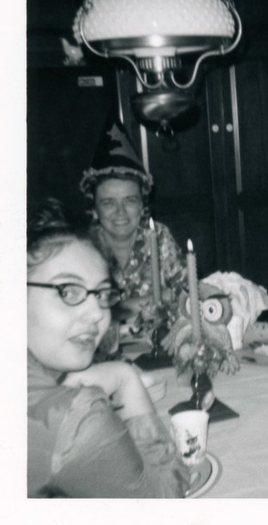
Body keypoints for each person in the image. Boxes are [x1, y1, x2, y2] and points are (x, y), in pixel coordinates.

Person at [27, 198, 189, 497]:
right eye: (68, 290)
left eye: (102, 295)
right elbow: (166, 496)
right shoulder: (78, 419)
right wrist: (124, 377)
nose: (97, 314)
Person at [79, 121, 188, 340]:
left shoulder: (158, 237)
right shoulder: (82, 247)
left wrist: (118, 307)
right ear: (95, 209)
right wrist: (140, 303)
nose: (121, 212)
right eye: (109, 202)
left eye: (130, 200)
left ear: (142, 206)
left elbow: (188, 295)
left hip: (156, 344)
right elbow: (78, 311)